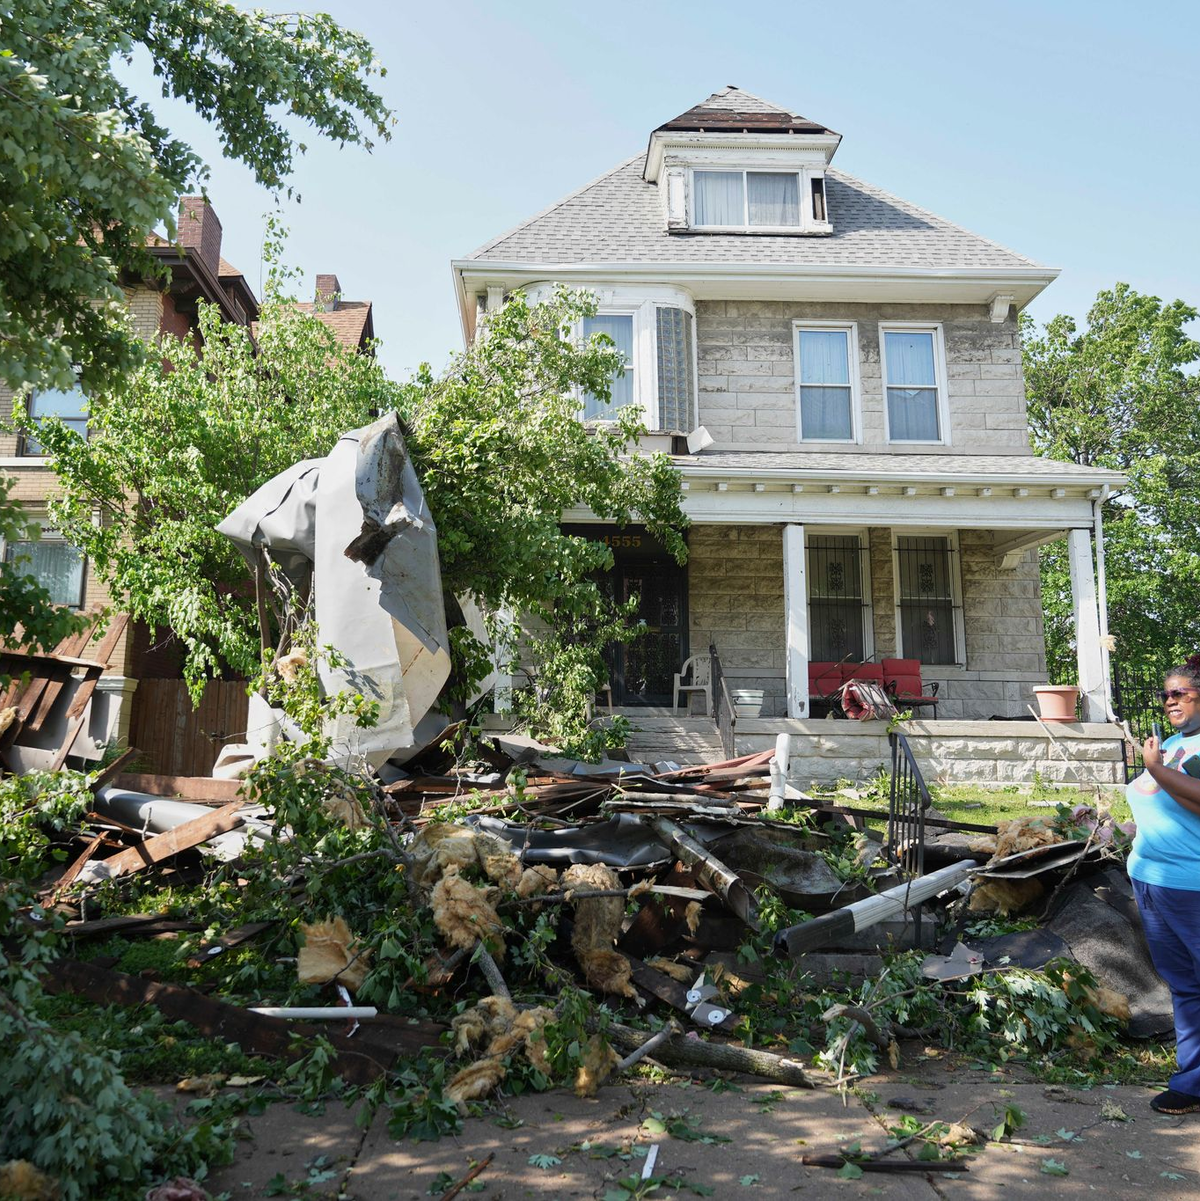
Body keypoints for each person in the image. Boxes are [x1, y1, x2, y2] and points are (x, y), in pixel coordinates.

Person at [1127, 654, 1200, 1114]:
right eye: (1166, 694)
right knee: (1185, 986)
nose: (1170, 700)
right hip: (1151, 880)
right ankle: (1192, 1082)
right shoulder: (1173, 742)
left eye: (1180, 693)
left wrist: (1154, 768)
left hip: (1192, 885)